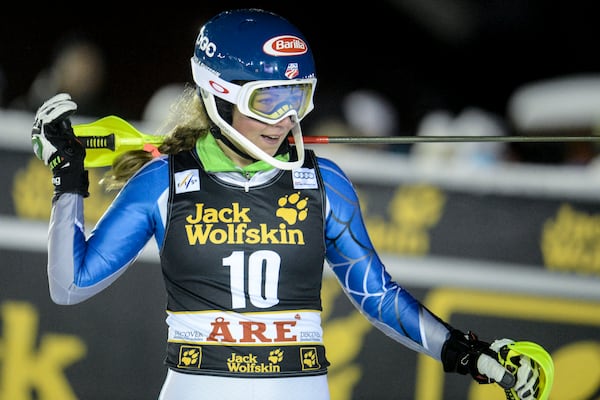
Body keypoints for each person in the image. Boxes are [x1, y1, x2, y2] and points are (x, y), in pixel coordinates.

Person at [30, 8, 544, 400]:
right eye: (269, 100)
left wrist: (469, 352)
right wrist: (67, 181)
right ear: (219, 92)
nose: (285, 119)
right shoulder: (162, 182)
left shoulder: (325, 183)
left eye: (297, 97)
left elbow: (377, 295)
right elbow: (69, 284)